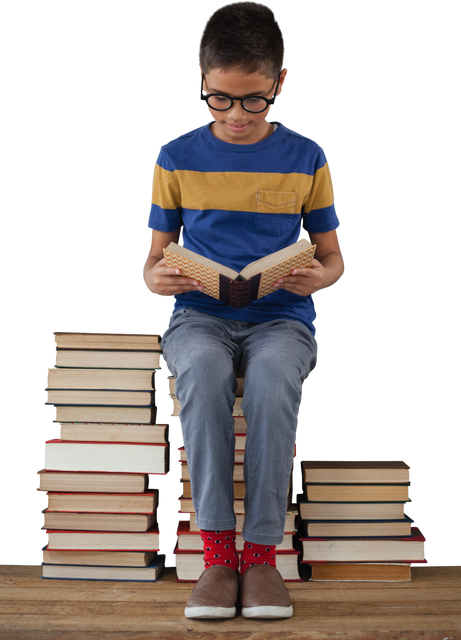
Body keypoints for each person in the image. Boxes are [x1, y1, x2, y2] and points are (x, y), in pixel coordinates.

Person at [141, 0, 346, 620]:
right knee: (200, 373)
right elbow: (152, 263)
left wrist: (319, 278)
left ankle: (261, 556)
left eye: (253, 99)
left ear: (281, 82)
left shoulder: (309, 156)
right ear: (201, 79)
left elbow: (336, 259)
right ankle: (218, 555)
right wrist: (159, 282)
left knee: (273, 381)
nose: (235, 114)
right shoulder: (173, 156)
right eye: (220, 98)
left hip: (283, 316)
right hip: (198, 315)